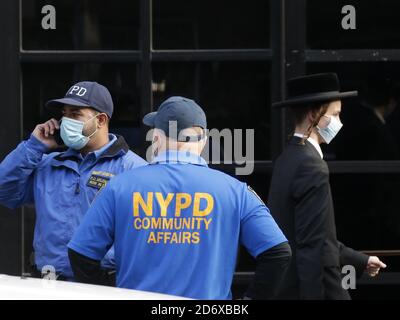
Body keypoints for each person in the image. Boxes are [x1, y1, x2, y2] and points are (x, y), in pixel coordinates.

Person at [68, 96, 291, 299]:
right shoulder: (236, 191)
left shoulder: (119, 186)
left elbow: (80, 253)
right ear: (203, 141)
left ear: (156, 138)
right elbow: (278, 253)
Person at [0, 81, 147, 282]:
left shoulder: (133, 169)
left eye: (75, 114)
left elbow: (144, 234)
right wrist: (33, 147)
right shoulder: (47, 163)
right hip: (47, 282)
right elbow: (4, 191)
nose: (65, 121)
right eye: (64, 113)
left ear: (101, 120)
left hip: (102, 285)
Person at [268, 73, 387, 300]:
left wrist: (360, 260)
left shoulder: (288, 158)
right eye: (335, 114)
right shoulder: (312, 166)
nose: (339, 122)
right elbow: (313, 247)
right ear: (315, 114)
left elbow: (316, 235)